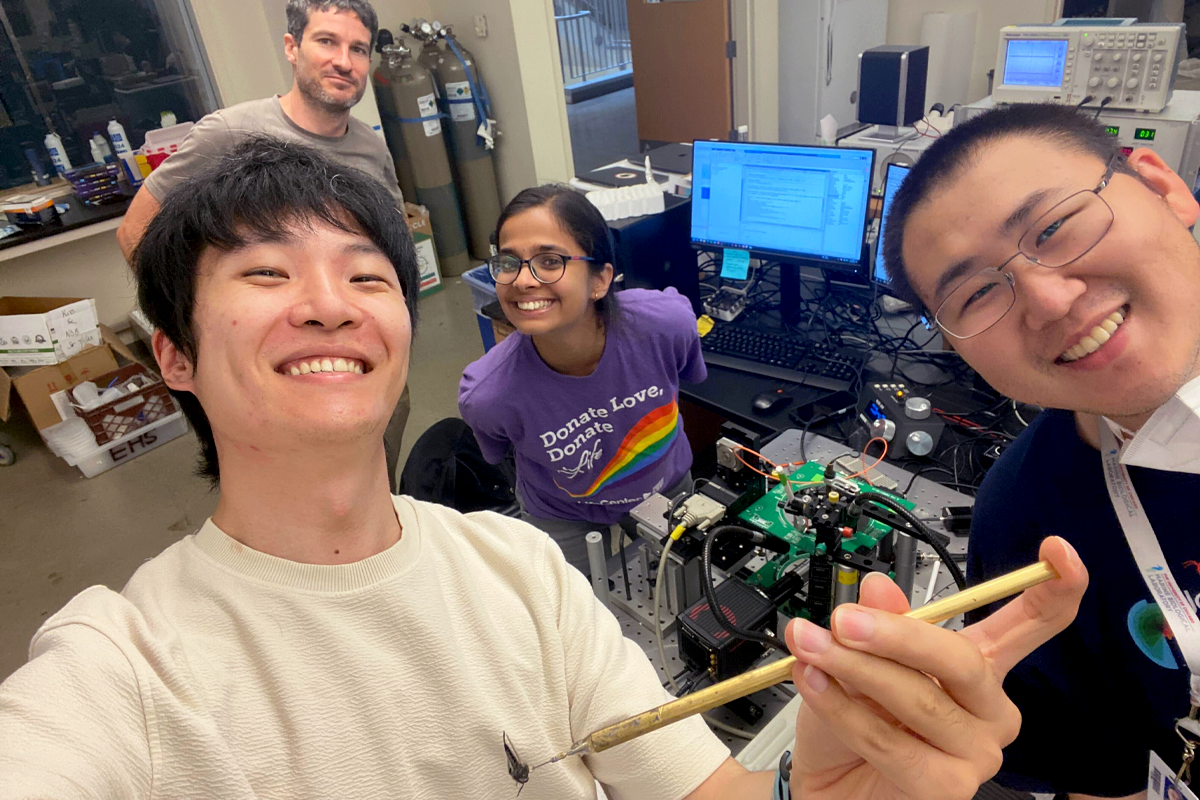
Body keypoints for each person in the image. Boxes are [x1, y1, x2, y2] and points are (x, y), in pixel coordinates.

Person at [0, 137, 1088, 800]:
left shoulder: (521, 575)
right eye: (267, 271)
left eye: (364, 273)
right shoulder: (120, 669)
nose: (327, 301)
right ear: (175, 354)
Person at [881, 102, 1200, 798]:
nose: (1050, 301)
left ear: (1162, 185)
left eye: (1054, 228)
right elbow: (1097, 779)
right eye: (976, 294)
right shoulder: (1024, 523)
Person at [115, 0, 411, 490]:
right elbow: (136, 232)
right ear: (292, 48)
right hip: (278, 366)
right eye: (327, 41)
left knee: (375, 467)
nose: (344, 60)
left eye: (358, 49)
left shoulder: (370, 148)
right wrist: (194, 324)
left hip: (356, 355)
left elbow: (392, 252)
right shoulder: (229, 135)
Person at [458, 185, 703, 573]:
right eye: (508, 262)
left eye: (550, 260)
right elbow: (503, 454)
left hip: (666, 483)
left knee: (682, 581)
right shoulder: (489, 394)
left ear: (600, 280)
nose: (522, 280)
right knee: (572, 605)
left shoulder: (666, 324)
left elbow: (687, 375)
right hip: (562, 511)